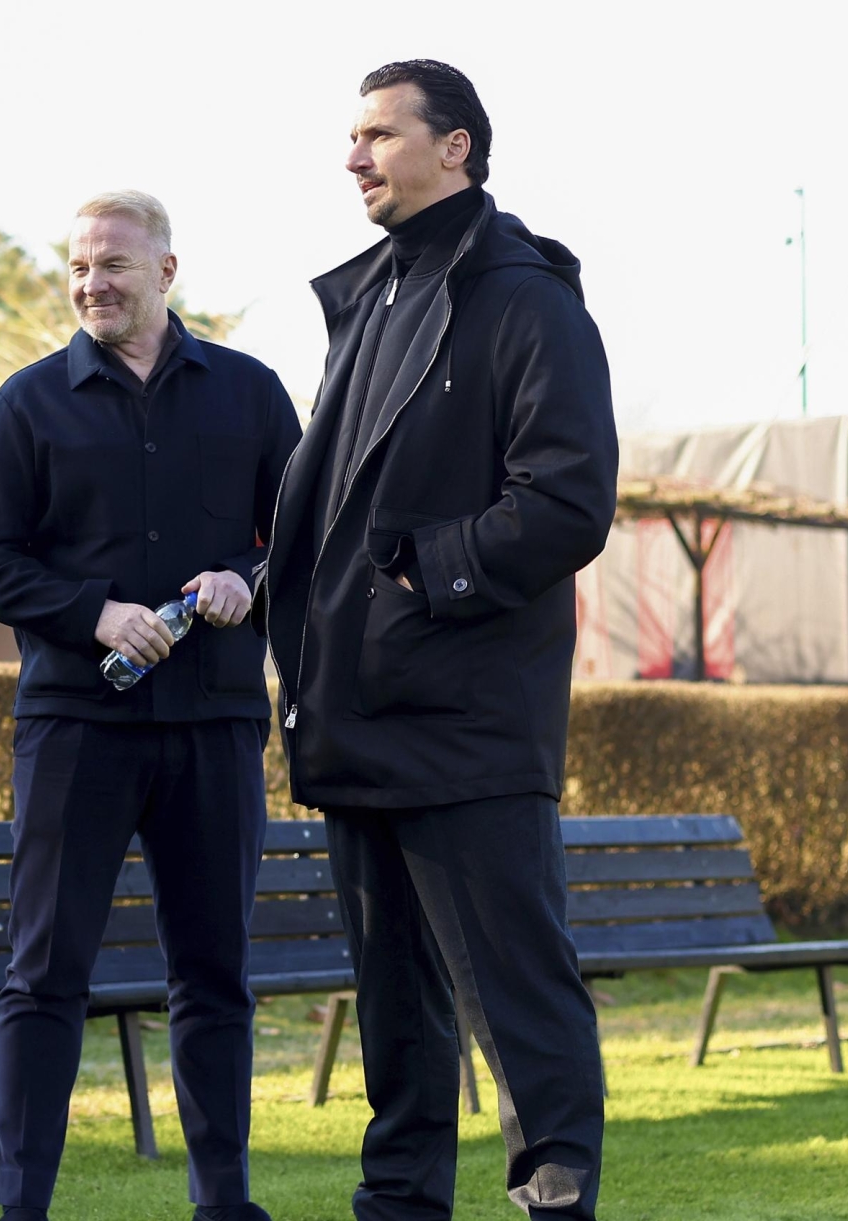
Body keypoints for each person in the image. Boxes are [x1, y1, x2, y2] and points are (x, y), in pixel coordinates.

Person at [258, 60, 619, 1220]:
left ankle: (555, 1208)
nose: (354, 155)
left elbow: (568, 501)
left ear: (456, 147)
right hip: (361, 718)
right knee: (396, 1024)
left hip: (467, 724)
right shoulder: (371, 301)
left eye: (378, 134)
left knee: (521, 1011)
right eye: (350, 137)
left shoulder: (525, 299)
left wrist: (423, 572)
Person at [0, 190, 301, 1221]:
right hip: (76, 725)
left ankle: (224, 1205)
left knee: (214, 974)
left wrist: (254, 579)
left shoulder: (250, 393)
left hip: (215, 724)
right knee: (45, 973)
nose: (91, 283)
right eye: (79, 267)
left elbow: (305, 536)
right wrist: (91, 614)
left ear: (166, 270)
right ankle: (24, 1208)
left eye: (111, 264)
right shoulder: (27, 403)